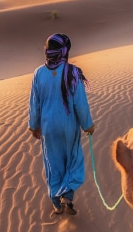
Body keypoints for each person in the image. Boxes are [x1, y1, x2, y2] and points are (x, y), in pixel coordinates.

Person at [28, 33, 95, 215]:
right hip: (69, 128)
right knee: (73, 160)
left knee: (53, 163)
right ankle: (68, 196)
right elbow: (80, 104)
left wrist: (33, 125)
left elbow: (34, 103)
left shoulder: (39, 73)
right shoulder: (73, 72)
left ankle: (56, 204)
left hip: (48, 128)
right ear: (66, 51)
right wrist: (88, 125)